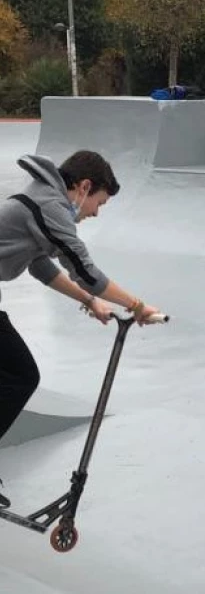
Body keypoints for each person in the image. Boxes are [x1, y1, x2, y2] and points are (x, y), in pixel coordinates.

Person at [0, 151, 160, 509]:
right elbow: (86, 271)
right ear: (84, 187)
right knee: (19, 375)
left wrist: (89, 302)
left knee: (15, 374)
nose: (95, 212)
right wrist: (136, 306)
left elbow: (38, 264)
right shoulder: (51, 205)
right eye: (99, 203)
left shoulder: (41, 199)